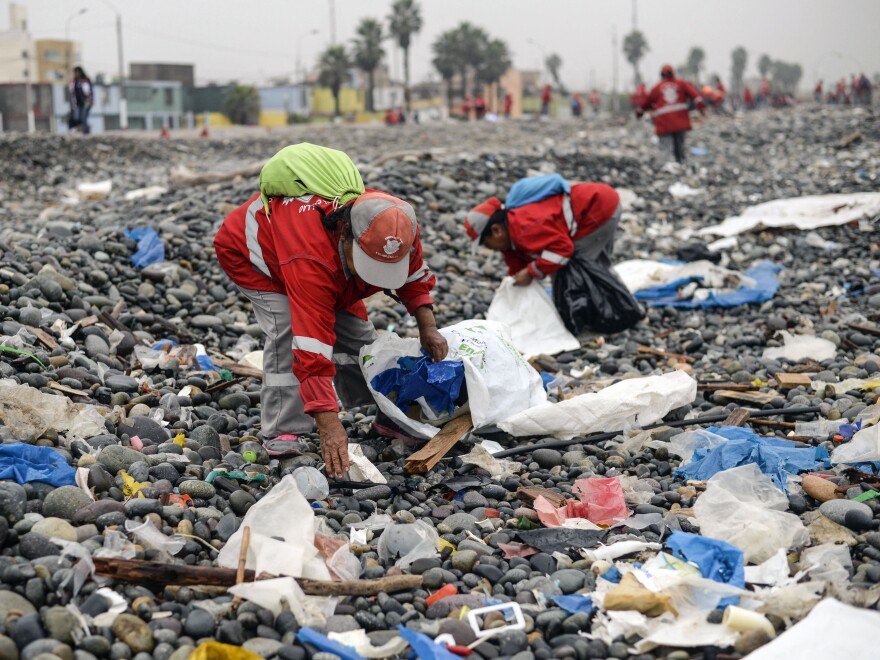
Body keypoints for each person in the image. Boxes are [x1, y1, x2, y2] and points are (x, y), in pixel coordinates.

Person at [214, 143, 446, 477]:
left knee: (361, 339)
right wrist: (329, 425)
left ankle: (381, 413)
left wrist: (428, 326)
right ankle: (283, 428)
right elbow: (312, 346)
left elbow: (413, 275)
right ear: (346, 235)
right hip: (256, 258)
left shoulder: (395, 225)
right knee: (289, 330)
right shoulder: (312, 257)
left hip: (330, 268)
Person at [464, 177, 621, 291]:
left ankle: (595, 315)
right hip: (603, 198)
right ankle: (618, 300)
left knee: (576, 269)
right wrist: (518, 275)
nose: (490, 248)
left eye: (486, 243)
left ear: (496, 231)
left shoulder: (523, 229)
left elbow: (563, 250)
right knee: (598, 266)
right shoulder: (512, 229)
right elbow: (516, 257)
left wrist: (532, 271)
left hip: (598, 208)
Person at [636, 64, 705, 164]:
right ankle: (681, 164)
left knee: (665, 149)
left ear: (662, 75)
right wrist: (701, 109)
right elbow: (697, 98)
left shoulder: (657, 87)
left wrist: (639, 113)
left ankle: (667, 167)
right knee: (679, 147)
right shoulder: (681, 84)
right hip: (680, 123)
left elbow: (646, 103)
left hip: (664, 124)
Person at [69, 66, 93, 134]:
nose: (75, 74)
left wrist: (89, 100)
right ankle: (84, 129)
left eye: (76, 72)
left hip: (86, 102)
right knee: (77, 117)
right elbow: (72, 92)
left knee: (84, 117)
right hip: (77, 103)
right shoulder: (74, 81)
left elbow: (89, 91)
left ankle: (86, 131)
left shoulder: (86, 80)